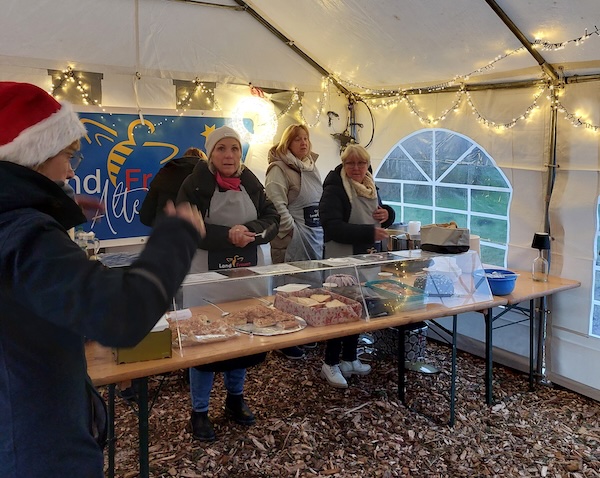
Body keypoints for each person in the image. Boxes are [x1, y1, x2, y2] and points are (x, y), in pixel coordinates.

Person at [0, 82, 205, 478]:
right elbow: (120, 315)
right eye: (67, 156)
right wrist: (176, 240)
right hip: (37, 446)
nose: (71, 170)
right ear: (32, 156)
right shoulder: (23, 232)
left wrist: (53, 209)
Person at [177, 125, 280, 441]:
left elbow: (273, 219)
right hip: (207, 279)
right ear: (211, 153)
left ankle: (235, 399)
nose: (229, 155)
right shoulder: (193, 184)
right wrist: (227, 236)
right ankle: (199, 411)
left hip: (245, 278)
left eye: (234, 148)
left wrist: (250, 231)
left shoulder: (250, 181)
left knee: (242, 338)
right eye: (221, 148)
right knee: (205, 344)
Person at [318, 143, 395, 388]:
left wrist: (388, 214)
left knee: (359, 309)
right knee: (339, 312)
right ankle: (330, 362)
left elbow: (380, 212)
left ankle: (350, 358)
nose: (356, 168)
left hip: (367, 259)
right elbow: (332, 227)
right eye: (350, 163)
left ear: (368, 165)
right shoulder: (334, 189)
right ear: (343, 164)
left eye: (361, 163)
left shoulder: (370, 185)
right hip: (342, 261)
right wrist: (369, 233)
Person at [265, 123, 324, 360]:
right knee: (287, 288)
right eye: (297, 139)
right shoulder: (278, 168)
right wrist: (292, 230)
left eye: (306, 138)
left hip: (313, 235)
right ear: (287, 143)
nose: (303, 143)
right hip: (291, 238)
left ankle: (304, 332)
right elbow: (275, 203)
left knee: (309, 287)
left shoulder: (311, 166)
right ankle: (285, 338)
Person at [139, 146, 207, 227]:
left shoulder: (164, 174)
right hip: (196, 232)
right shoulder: (207, 177)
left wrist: (162, 223)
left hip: (166, 231)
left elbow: (145, 216)